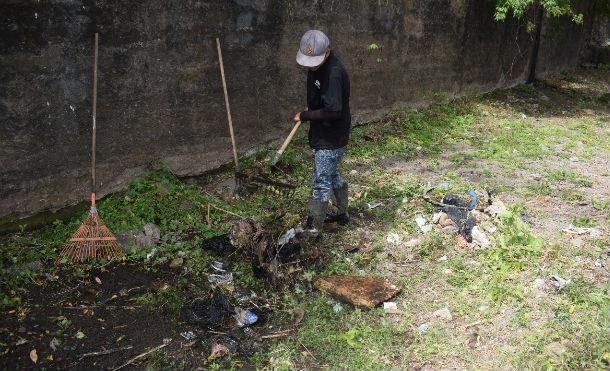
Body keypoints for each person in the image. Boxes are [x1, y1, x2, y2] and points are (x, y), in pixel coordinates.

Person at [293, 30, 351, 238]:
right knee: (331, 174)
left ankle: (314, 226)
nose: (311, 65)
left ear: (327, 52)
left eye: (314, 60)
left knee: (321, 180)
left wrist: (306, 115)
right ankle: (341, 212)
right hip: (325, 132)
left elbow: (334, 111)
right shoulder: (317, 67)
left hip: (331, 136)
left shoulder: (333, 72)